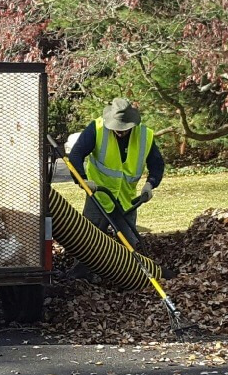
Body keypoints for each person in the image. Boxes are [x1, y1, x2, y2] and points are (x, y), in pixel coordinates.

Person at [66, 97, 166, 279]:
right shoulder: (96, 129)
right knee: (88, 241)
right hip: (98, 197)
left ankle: (128, 277)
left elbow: (157, 164)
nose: (119, 132)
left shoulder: (145, 135)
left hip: (126, 200)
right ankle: (82, 278)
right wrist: (83, 180)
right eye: (116, 129)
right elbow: (75, 155)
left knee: (128, 241)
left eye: (123, 129)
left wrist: (150, 184)